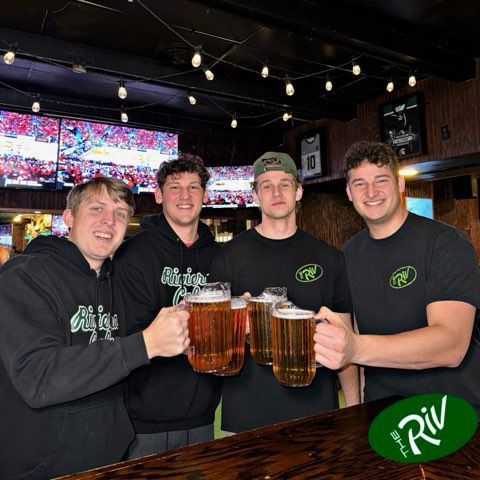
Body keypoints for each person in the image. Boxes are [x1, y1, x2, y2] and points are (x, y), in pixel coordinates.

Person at [0, 177, 190, 479]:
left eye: (120, 213)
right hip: (38, 468)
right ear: (69, 217)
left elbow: (128, 365)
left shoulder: (117, 284)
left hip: (110, 459)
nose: (109, 221)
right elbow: (38, 376)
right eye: (97, 208)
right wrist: (145, 344)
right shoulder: (24, 277)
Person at [314, 141, 480, 412]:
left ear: (400, 184)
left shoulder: (445, 242)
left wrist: (356, 347)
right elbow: (350, 337)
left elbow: (452, 345)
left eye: (381, 180)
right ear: (348, 192)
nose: (371, 192)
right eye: (359, 184)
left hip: (452, 414)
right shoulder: (346, 255)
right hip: (383, 414)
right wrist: (354, 410)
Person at [209, 151, 359, 434]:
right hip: (245, 416)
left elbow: (346, 343)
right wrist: (239, 325)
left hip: (316, 413)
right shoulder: (228, 257)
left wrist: (353, 411)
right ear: (255, 194)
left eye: (285, 184)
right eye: (266, 185)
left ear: (299, 191)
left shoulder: (329, 258)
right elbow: (215, 344)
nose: (276, 192)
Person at [114, 154, 221, 457]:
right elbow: (126, 331)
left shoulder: (221, 256)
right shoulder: (131, 253)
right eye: (175, 187)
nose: (185, 196)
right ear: (159, 195)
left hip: (202, 414)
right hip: (144, 419)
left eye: (193, 187)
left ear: (205, 195)